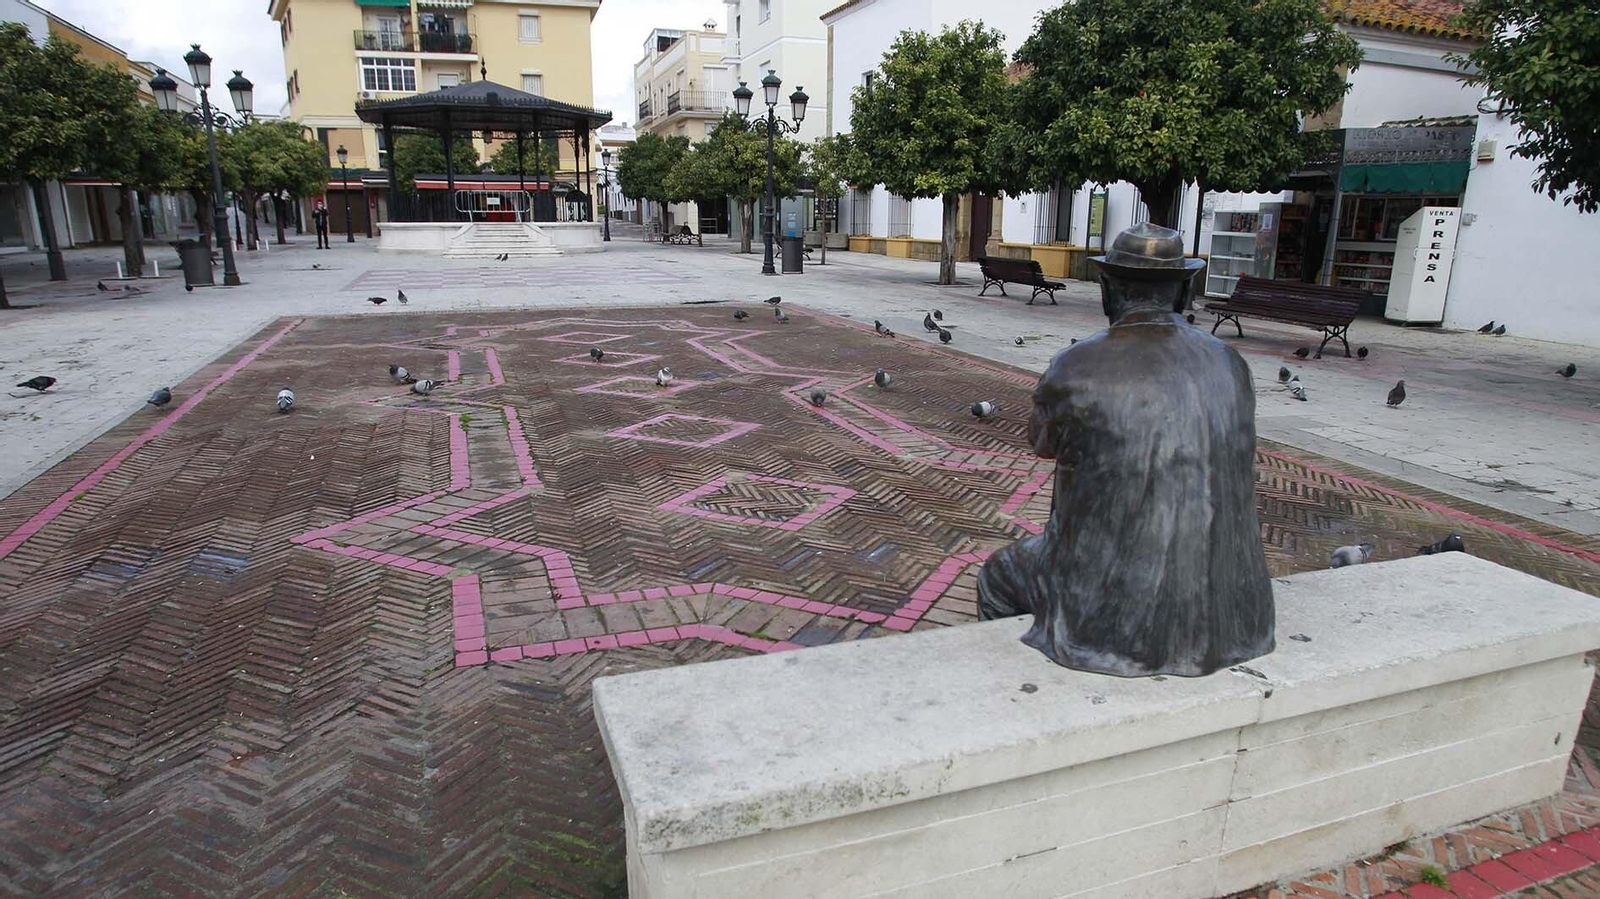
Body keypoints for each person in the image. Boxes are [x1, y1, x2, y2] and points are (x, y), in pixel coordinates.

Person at [977, 223, 1274, 677]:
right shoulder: (1232, 363)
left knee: (997, 575)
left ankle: (1016, 687)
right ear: (1182, 290)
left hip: (1112, 619)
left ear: (1108, 288)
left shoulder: (1077, 364)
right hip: (1238, 619)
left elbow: (1041, 442)